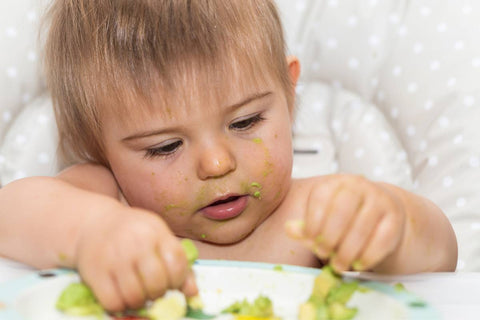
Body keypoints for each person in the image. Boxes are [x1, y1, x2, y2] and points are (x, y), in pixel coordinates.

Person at [0, 0, 457, 313]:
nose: (216, 164)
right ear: (101, 151)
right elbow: (11, 211)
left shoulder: (315, 219)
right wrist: (93, 234)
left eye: (245, 122)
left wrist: (389, 225)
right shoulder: (112, 202)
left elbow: (441, 254)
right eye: (164, 147)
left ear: (289, 93)